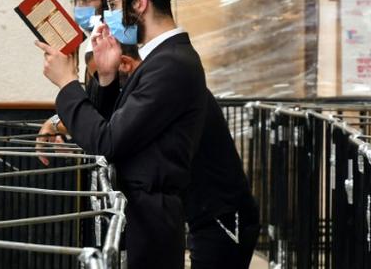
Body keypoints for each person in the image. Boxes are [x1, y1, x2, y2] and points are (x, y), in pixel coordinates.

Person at [36, 0, 207, 269]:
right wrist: (106, 77)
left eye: (113, 5)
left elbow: (108, 141)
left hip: (151, 224)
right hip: (139, 216)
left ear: (139, 3)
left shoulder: (172, 63)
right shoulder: (159, 58)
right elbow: (112, 122)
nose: (109, 15)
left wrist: (67, 82)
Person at [48, 41, 260, 268]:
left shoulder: (161, 84)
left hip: (221, 213)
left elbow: (108, 137)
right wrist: (55, 122)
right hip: (201, 210)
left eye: (97, 74)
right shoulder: (153, 85)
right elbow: (111, 124)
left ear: (126, 64)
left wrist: (65, 88)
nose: (98, 85)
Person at [37, 0, 116, 164]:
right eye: (76, 0)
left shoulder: (112, 46)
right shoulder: (89, 42)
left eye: (87, 0)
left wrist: (54, 125)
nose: (80, 7)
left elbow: (102, 115)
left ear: (107, 3)